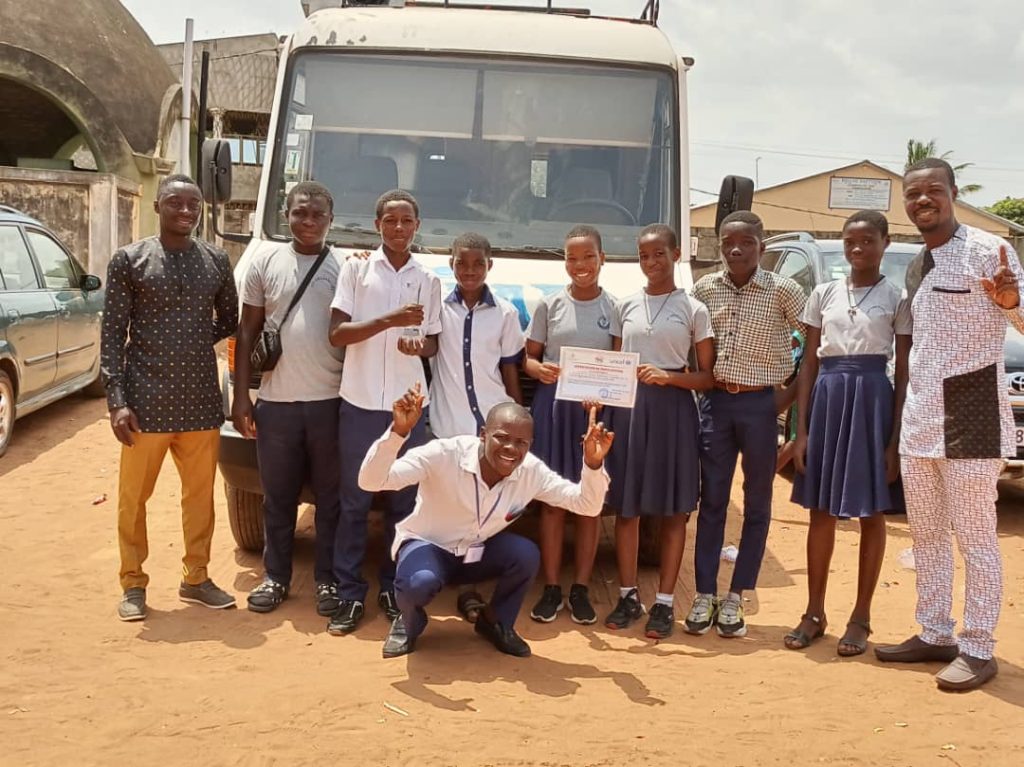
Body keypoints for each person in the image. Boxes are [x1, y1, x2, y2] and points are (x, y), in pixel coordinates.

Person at [874, 158, 1024, 691]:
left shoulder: (990, 251)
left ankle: (979, 648)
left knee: (976, 537)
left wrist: (1012, 304)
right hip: (921, 417)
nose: (922, 201)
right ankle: (936, 632)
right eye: (913, 194)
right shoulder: (918, 262)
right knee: (929, 534)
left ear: (953, 194)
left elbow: (1022, 317)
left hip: (973, 410)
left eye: (933, 191)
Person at [358, 387, 614, 658]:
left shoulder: (531, 472)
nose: (511, 449)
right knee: (419, 582)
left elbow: (587, 505)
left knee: (525, 555)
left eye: (521, 443)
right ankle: (409, 623)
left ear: (530, 445)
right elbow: (371, 481)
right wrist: (397, 434)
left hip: (474, 552)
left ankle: (495, 622)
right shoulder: (444, 454)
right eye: (502, 438)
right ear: (483, 434)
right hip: (429, 546)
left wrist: (593, 463)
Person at [101, 174, 239, 621]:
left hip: (200, 400)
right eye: (175, 203)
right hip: (144, 403)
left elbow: (230, 318)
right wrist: (117, 399)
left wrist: (194, 341)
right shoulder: (130, 261)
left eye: (193, 204)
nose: (185, 211)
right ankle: (133, 583)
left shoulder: (217, 260)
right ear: (157, 206)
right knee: (133, 499)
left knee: (199, 497)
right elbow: (112, 335)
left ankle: (196, 577)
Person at [785, 211, 911, 656]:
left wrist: (894, 441)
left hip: (873, 398)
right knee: (820, 510)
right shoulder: (823, 294)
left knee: (870, 512)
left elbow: (904, 368)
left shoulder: (896, 297)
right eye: (850, 242)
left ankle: (861, 617)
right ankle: (814, 613)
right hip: (828, 398)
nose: (858, 250)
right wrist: (801, 432)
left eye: (867, 242)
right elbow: (809, 364)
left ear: (885, 242)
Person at [327, 189, 442, 635]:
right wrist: (389, 321)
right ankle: (349, 593)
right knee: (353, 503)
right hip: (358, 403)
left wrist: (420, 343)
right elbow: (337, 334)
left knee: (402, 502)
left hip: (407, 406)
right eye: (390, 221)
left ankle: (394, 590)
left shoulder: (428, 279)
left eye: (406, 221)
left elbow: (432, 340)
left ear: (417, 226)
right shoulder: (356, 269)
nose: (398, 228)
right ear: (377, 226)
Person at [688, 211, 805, 637]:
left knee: (757, 502)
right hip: (717, 405)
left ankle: (737, 596)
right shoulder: (704, 288)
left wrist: (788, 395)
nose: (735, 250)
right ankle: (704, 594)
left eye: (746, 243)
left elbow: (815, 342)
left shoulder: (784, 291)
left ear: (763, 245)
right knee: (712, 501)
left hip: (760, 406)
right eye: (727, 243)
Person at [231, 181, 345, 616]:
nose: (309, 221)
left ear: (330, 220)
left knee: (330, 499)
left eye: (317, 214)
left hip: (330, 403)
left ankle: (327, 581)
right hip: (275, 404)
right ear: (287, 214)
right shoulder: (265, 262)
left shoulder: (345, 268)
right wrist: (243, 397)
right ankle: (275, 577)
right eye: (300, 213)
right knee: (277, 498)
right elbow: (246, 332)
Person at [605, 224, 715, 638]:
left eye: (659, 254)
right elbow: (615, 363)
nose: (651, 262)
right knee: (628, 508)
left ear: (676, 254)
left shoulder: (693, 309)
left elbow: (707, 377)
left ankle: (666, 602)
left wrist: (670, 379)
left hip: (673, 413)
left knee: (673, 510)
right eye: (644, 255)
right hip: (630, 412)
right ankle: (628, 595)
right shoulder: (625, 305)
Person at [524, 224, 619, 626]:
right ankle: (551, 587)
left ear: (602, 259)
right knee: (552, 502)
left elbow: (617, 365)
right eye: (572, 258)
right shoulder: (549, 305)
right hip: (553, 410)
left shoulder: (614, 308)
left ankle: (580, 587)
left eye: (588, 257)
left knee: (589, 503)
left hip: (593, 415)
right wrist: (539, 369)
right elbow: (526, 359)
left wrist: (603, 397)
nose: (580, 265)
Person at [429, 231, 525, 622]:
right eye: (461, 263)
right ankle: (438, 577)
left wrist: (517, 415)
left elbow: (509, 369)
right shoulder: (435, 307)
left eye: (478, 264)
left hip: (490, 428)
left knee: (484, 511)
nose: (469, 271)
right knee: (449, 505)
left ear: (490, 266)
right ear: (450, 264)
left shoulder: (505, 313)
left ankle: (470, 586)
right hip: (447, 422)